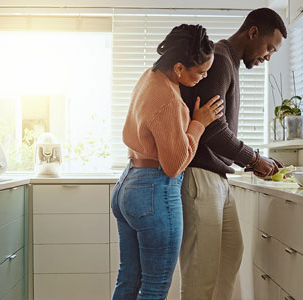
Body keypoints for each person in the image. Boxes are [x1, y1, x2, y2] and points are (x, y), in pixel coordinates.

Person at [178, 8, 288, 300]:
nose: (267, 57)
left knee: (230, 254)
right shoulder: (220, 61)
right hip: (201, 176)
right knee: (201, 272)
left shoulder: (229, 62)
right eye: (269, 48)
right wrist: (254, 159)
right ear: (253, 32)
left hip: (216, 178)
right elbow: (213, 130)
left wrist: (253, 158)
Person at [111, 24, 224, 300]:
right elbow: (174, 165)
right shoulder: (170, 101)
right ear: (178, 68)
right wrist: (198, 124)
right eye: (200, 71)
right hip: (154, 191)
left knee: (128, 279)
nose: (205, 76)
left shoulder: (149, 77)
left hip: (128, 185)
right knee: (155, 286)